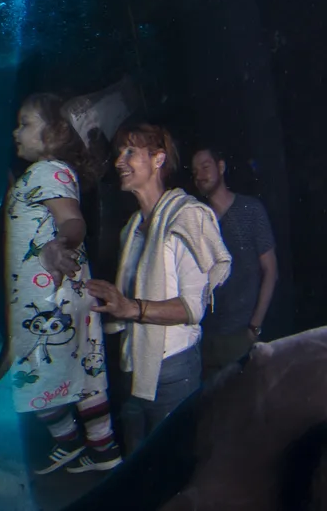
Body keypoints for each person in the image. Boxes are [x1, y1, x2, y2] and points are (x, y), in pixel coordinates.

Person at [86, 123, 231, 453]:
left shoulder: (188, 218)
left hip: (172, 370)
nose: (119, 161)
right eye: (118, 153)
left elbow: (193, 308)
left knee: (168, 466)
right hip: (133, 364)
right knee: (137, 462)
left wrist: (131, 308)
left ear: (158, 159)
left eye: (130, 152)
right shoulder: (133, 228)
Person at [8, 94, 122, 476]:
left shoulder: (46, 171)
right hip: (64, 295)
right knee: (84, 373)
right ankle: (101, 448)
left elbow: (72, 220)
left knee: (35, 374)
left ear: (55, 133)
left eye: (25, 123)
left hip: (49, 301)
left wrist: (63, 246)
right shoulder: (48, 172)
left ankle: (70, 441)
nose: (16, 131)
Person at [190, 146, 278, 378]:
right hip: (206, 339)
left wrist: (254, 327)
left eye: (205, 167)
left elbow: (270, 270)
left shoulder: (250, 209)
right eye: (195, 171)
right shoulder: (197, 219)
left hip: (241, 335)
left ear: (221, 167)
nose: (200, 175)